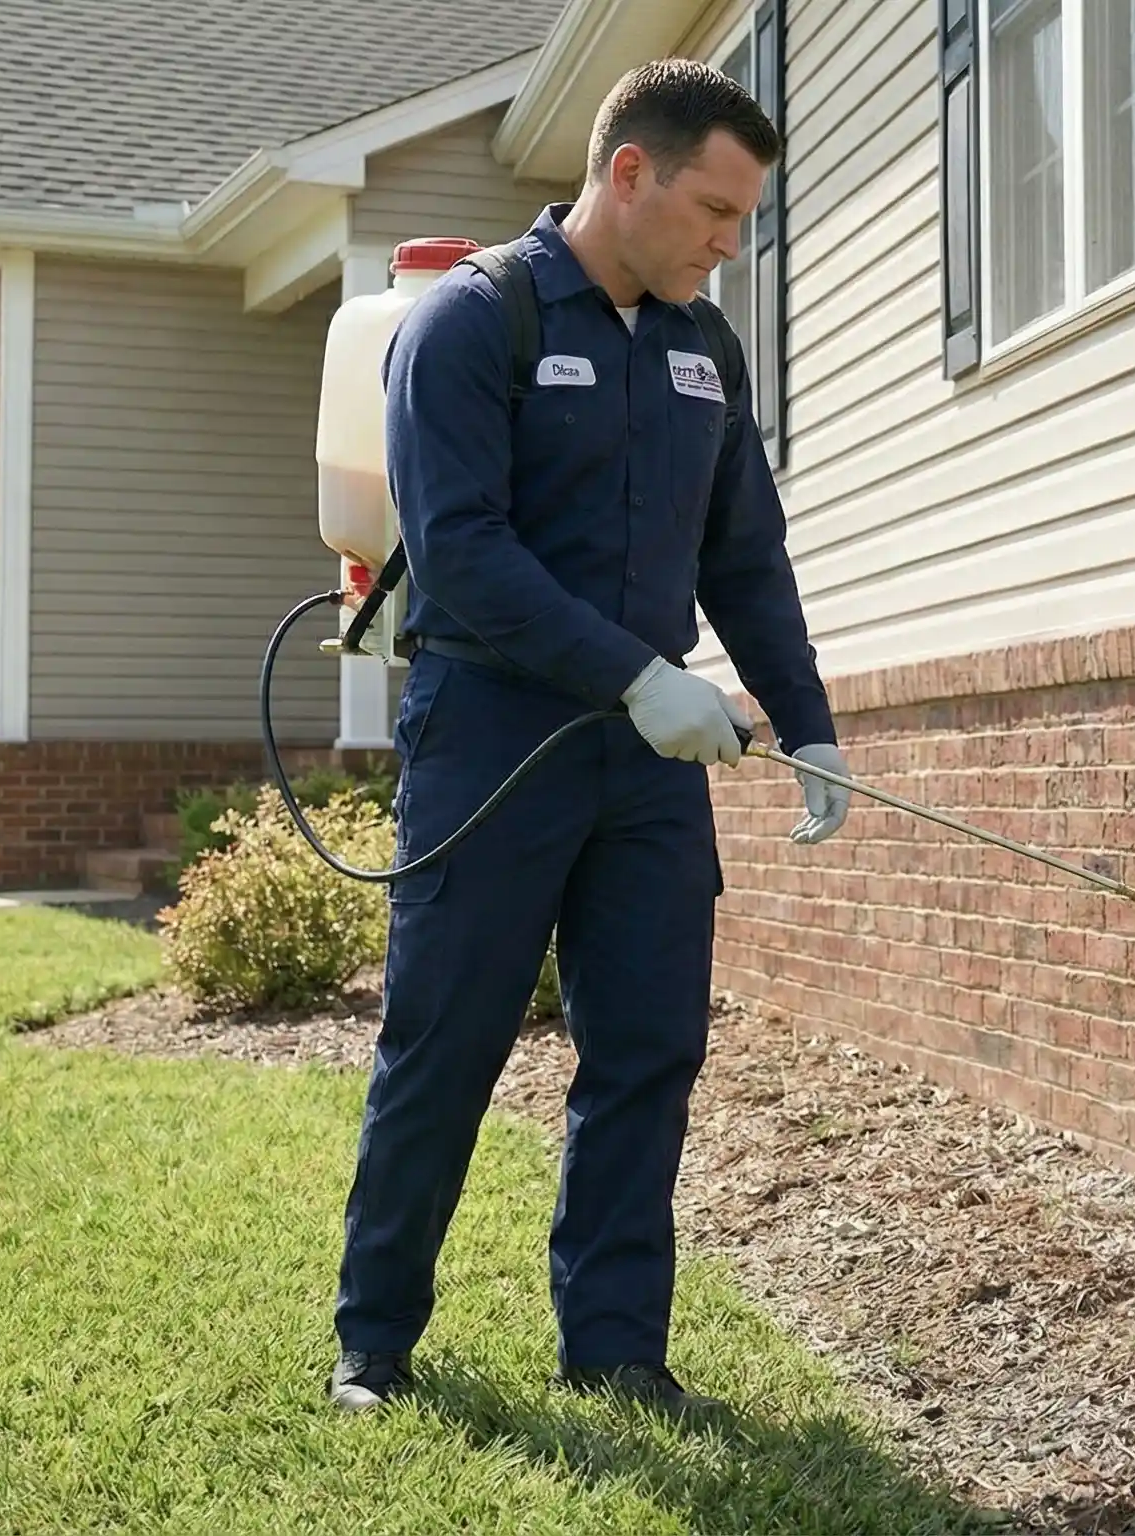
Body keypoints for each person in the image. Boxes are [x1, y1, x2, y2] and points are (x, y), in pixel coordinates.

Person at [326, 59, 849, 1420]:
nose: (730, 244)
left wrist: (810, 723)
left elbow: (747, 555)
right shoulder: (469, 324)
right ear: (630, 175)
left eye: (743, 221)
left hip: (650, 756)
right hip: (492, 731)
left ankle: (615, 1349)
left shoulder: (702, 347)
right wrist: (634, 676)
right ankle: (374, 1345)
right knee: (445, 1042)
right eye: (716, 212)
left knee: (648, 1048)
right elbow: (464, 553)